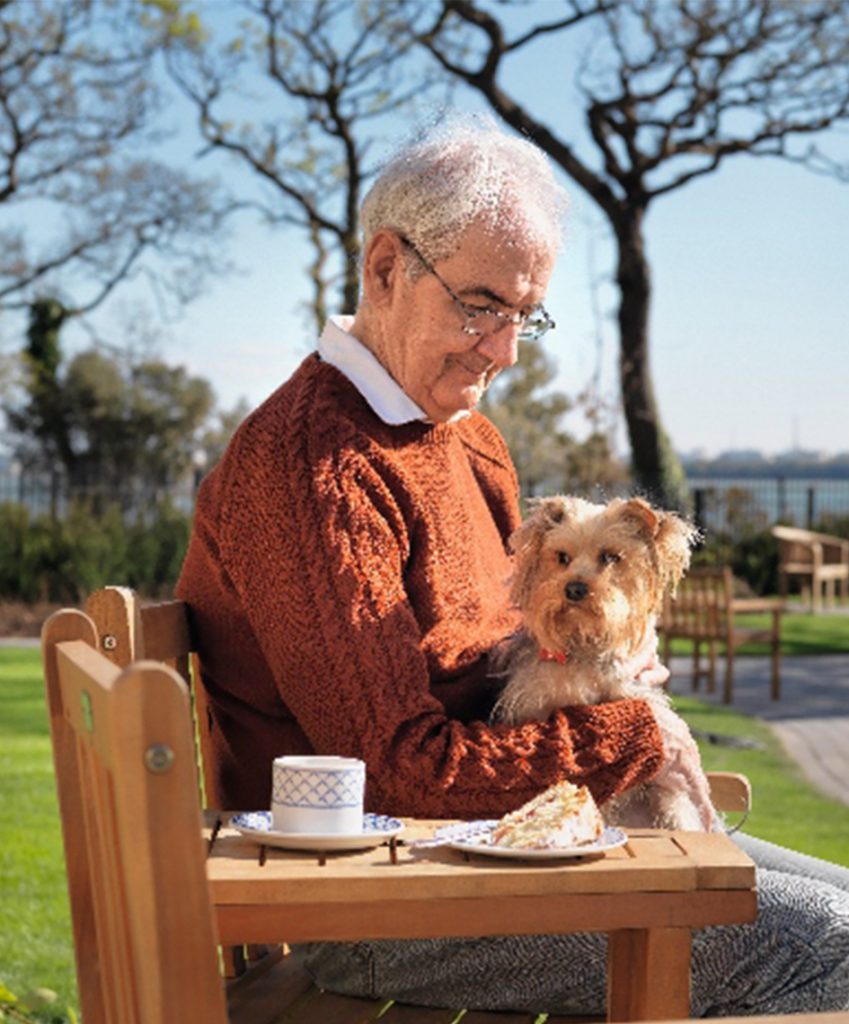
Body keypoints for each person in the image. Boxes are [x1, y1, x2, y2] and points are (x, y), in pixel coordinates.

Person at [177, 115, 849, 1017]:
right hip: (385, 900)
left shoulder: (470, 443)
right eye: (480, 305)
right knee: (829, 950)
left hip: (514, 848)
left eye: (523, 314)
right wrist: (631, 736)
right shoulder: (314, 469)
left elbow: (505, 651)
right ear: (386, 269)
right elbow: (398, 776)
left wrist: (599, 667)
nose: (505, 349)